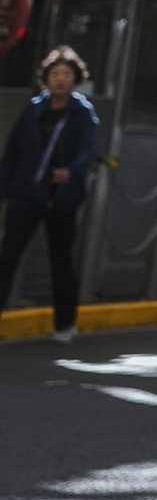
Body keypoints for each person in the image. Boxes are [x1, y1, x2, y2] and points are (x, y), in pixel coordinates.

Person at [0, 50, 101, 343]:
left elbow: (87, 150)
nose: (60, 80)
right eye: (55, 74)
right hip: (27, 193)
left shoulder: (83, 112)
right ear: (45, 79)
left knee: (60, 260)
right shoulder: (33, 110)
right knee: (7, 257)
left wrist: (71, 170)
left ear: (76, 79)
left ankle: (65, 324)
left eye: (67, 74)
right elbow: (13, 151)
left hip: (60, 198)